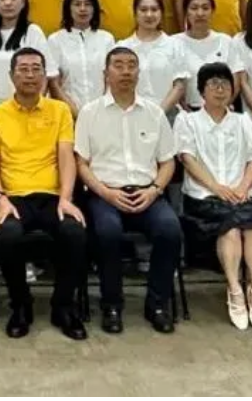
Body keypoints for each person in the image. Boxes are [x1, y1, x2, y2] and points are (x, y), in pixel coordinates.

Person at [75, 47, 182, 335]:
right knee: (107, 233)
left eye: (131, 65)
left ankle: (157, 304)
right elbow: (81, 163)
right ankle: (111, 304)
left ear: (138, 72)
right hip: (104, 194)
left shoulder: (154, 113)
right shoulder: (89, 112)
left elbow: (168, 161)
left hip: (148, 192)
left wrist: (155, 190)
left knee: (170, 230)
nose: (125, 71)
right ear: (105, 73)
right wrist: (105, 193)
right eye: (118, 65)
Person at [0, 48, 88, 340]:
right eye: (23, 69)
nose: (30, 75)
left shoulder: (59, 110)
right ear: (11, 75)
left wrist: (66, 198)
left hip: (53, 196)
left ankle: (63, 305)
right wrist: (0, 198)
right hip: (13, 197)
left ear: (45, 75)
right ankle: (21, 304)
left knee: (75, 232)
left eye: (36, 69)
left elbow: (66, 157)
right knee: (7, 235)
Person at [175, 63, 252, 331]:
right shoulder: (187, 121)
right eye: (213, 84)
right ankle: (235, 289)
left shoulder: (243, 120)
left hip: (244, 193)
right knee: (231, 228)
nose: (220, 89)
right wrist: (217, 188)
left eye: (225, 84)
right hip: (204, 196)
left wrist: (242, 187)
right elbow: (187, 159)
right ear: (201, 90)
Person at [0, 0, 58, 108]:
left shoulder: (33, 31)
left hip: (25, 109)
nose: (8, 3)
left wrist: (34, 106)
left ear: (23, 2)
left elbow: (46, 75)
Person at [47, 0, 116, 117]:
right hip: (67, 114)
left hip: (103, 113)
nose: (82, 9)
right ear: (68, 8)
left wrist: (101, 109)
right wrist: (75, 113)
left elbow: (111, 79)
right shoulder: (55, 40)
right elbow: (54, 84)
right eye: (77, 4)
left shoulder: (107, 39)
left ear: (95, 8)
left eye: (88, 4)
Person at [174, 0, 245, 110]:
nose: (200, 13)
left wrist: (222, 107)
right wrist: (187, 111)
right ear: (186, 11)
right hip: (186, 112)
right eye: (194, 8)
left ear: (212, 11)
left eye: (205, 8)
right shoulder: (174, 43)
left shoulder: (225, 41)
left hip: (222, 109)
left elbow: (236, 80)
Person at [118, 0, 187, 112]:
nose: (149, 15)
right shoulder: (123, 47)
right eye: (143, 10)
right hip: (132, 114)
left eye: (154, 9)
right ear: (135, 13)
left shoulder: (174, 45)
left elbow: (179, 86)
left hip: (167, 114)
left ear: (161, 13)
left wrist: (158, 114)